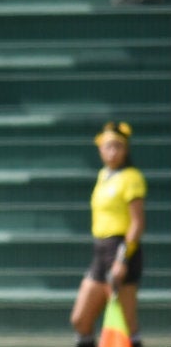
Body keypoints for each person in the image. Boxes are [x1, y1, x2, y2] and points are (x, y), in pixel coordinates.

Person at [69, 121, 147, 347]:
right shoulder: (104, 175)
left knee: (127, 325)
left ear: (126, 149)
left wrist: (122, 259)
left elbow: (137, 223)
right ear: (100, 149)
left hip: (121, 251)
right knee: (80, 319)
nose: (113, 151)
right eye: (108, 146)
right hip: (100, 251)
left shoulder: (132, 177)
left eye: (118, 146)